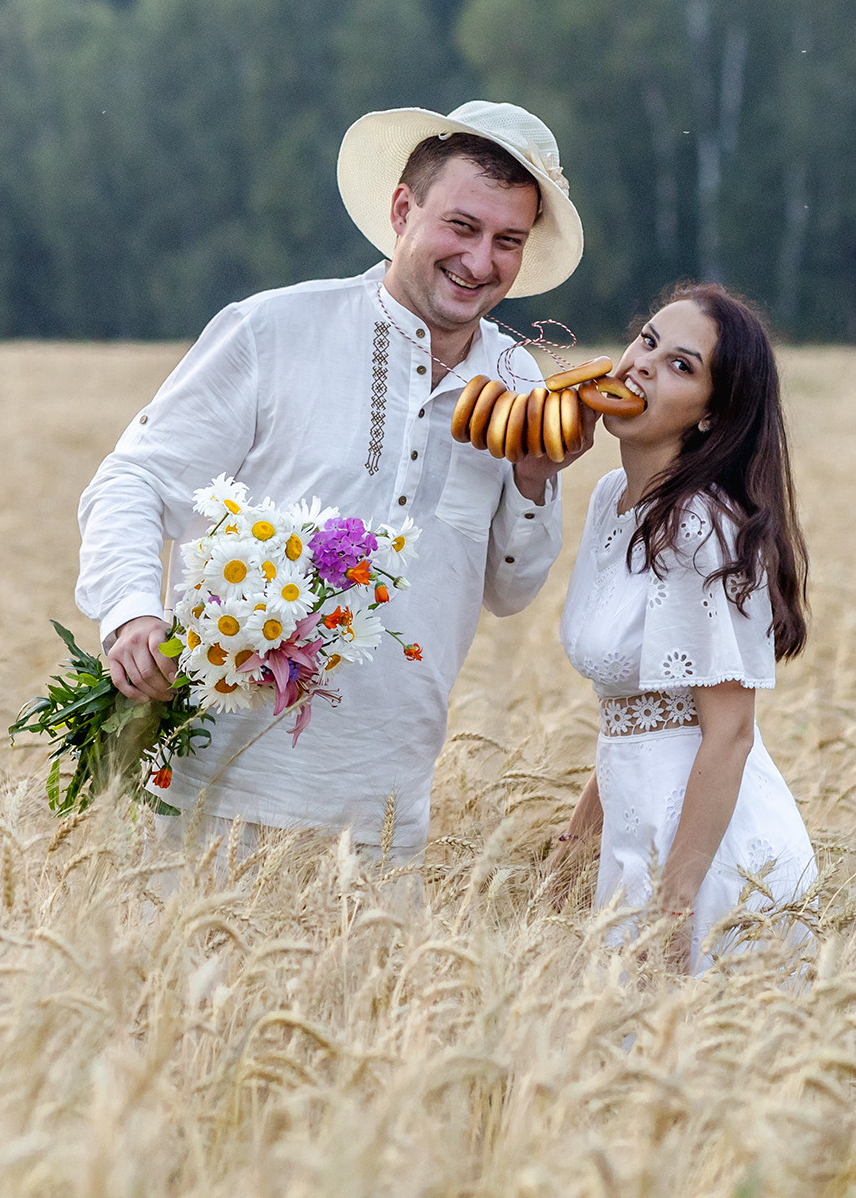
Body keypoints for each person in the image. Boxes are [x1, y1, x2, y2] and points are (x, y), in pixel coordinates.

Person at [76, 101, 593, 859]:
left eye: (507, 241)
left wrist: (535, 478)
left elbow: (510, 592)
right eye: (461, 225)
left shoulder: (519, 381)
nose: (481, 262)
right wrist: (130, 613)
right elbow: (133, 480)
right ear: (402, 209)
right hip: (211, 792)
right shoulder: (275, 330)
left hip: (385, 813)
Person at [548, 282, 815, 973]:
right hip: (636, 833)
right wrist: (582, 833)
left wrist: (676, 898)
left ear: (710, 416)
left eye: (680, 365)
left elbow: (727, 730)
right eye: (647, 341)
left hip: (711, 854)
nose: (642, 363)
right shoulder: (614, 498)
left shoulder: (701, 526)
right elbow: (644, 704)